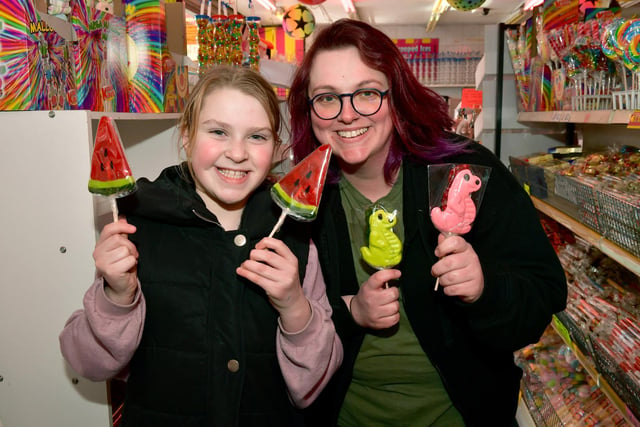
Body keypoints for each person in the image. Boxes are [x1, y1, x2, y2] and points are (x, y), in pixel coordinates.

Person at [287, 19, 567, 427]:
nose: (347, 115)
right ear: (308, 109)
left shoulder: (464, 175)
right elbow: (271, 324)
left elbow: (542, 296)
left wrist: (484, 288)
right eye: (327, 98)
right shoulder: (297, 201)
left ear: (396, 97)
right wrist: (349, 310)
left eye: (366, 93)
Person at [59, 66, 342, 426]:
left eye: (257, 137)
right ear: (188, 135)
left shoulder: (296, 240)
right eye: (218, 131)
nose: (237, 153)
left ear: (276, 148)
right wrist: (117, 298)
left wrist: (295, 307)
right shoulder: (137, 226)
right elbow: (87, 363)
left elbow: (313, 386)